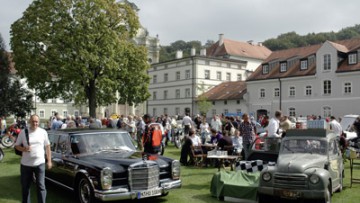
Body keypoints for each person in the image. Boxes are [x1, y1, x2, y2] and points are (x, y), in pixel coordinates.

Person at [15, 114, 52, 203]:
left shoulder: (43, 132)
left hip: (40, 164)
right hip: (26, 165)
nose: (35, 123)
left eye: (36, 121)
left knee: (41, 186)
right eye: (33, 121)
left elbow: (47, 147)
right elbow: (16, 146)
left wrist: (49, 161)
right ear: (29, 122)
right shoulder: (23, 132)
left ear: (39, 122)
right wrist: (24, 149)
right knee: (25, 187)